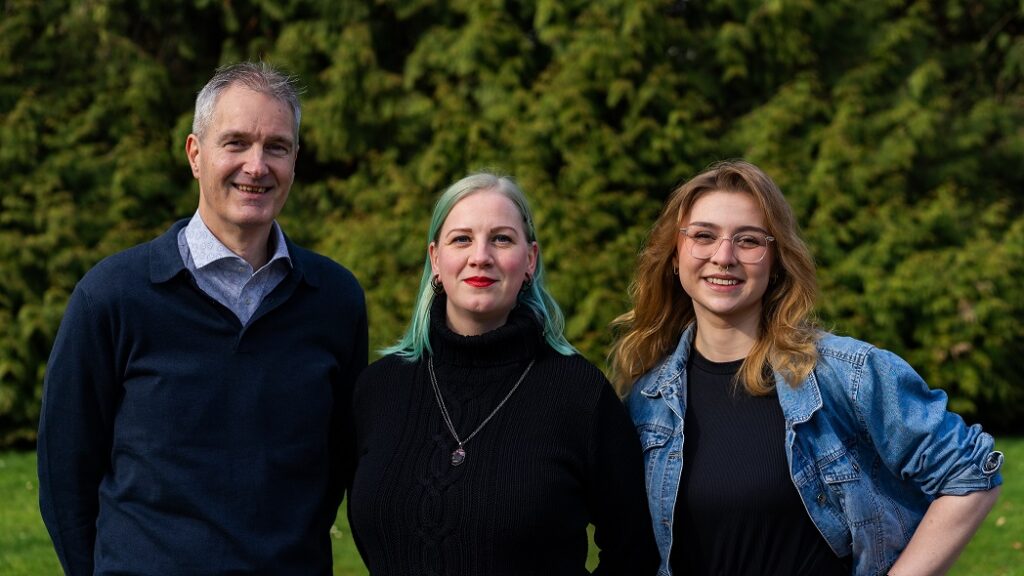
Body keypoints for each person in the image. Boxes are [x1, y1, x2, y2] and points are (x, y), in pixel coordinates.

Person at [37, 61, 368, 575]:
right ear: (195, 154)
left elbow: (339, 461)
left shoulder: (335, 300)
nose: (256, 166)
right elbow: (64, 473)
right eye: (235, 143)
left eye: (276, 147)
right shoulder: (112, 296)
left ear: (295, 161)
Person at [610, 160, 1003, 576]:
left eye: (748, 241)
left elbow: (970, 471)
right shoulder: (647, 400)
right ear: (675, 256)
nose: (723, 256)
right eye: (704, 236)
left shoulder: (843, 375)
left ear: (777, 260)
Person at [347, 172, 658, 575]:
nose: (481, 256)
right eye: (462, 239)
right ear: (435, 260)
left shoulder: (579, 395)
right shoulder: (379, 389)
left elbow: (634, 551)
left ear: (529, 260)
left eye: (501, 239)